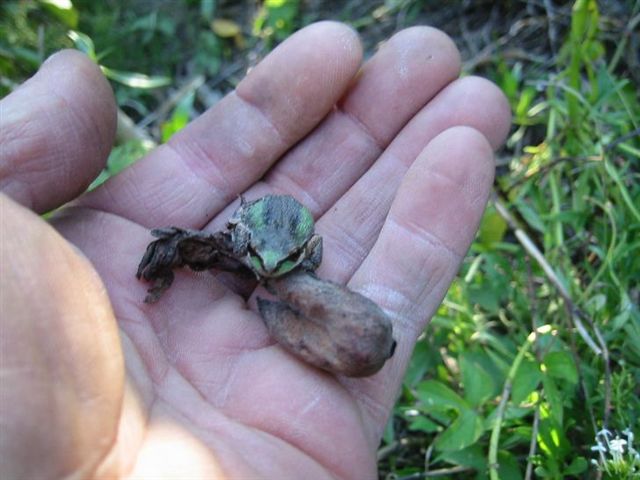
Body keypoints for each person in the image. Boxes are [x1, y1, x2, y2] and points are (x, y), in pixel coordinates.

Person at [0, 22, 511, 479]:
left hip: (287, 234)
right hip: (262, 228)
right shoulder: (254, 245)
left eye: (279, 267)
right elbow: (250, 234)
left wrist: (294, 267)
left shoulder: (297, 254)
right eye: (268, 266)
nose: (269, 272)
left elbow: (310, 245)